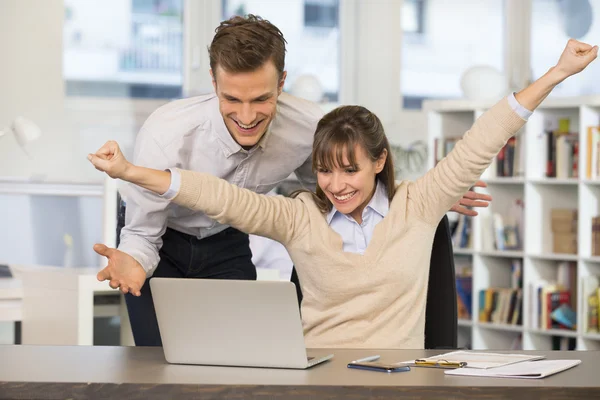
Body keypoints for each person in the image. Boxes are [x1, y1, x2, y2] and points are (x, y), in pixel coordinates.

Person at [96, 14, 490, 347]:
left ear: (282, 83)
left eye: (261, 99)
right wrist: (133, 259)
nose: (247, 116)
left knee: (234, 360)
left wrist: (417, 200)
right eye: (232, 99)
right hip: (161, 237)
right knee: (159, 360)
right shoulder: (166, 133)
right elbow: (143, 233)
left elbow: (339, 187)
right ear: (214, 84)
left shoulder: (306, 127)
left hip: (227, 239)